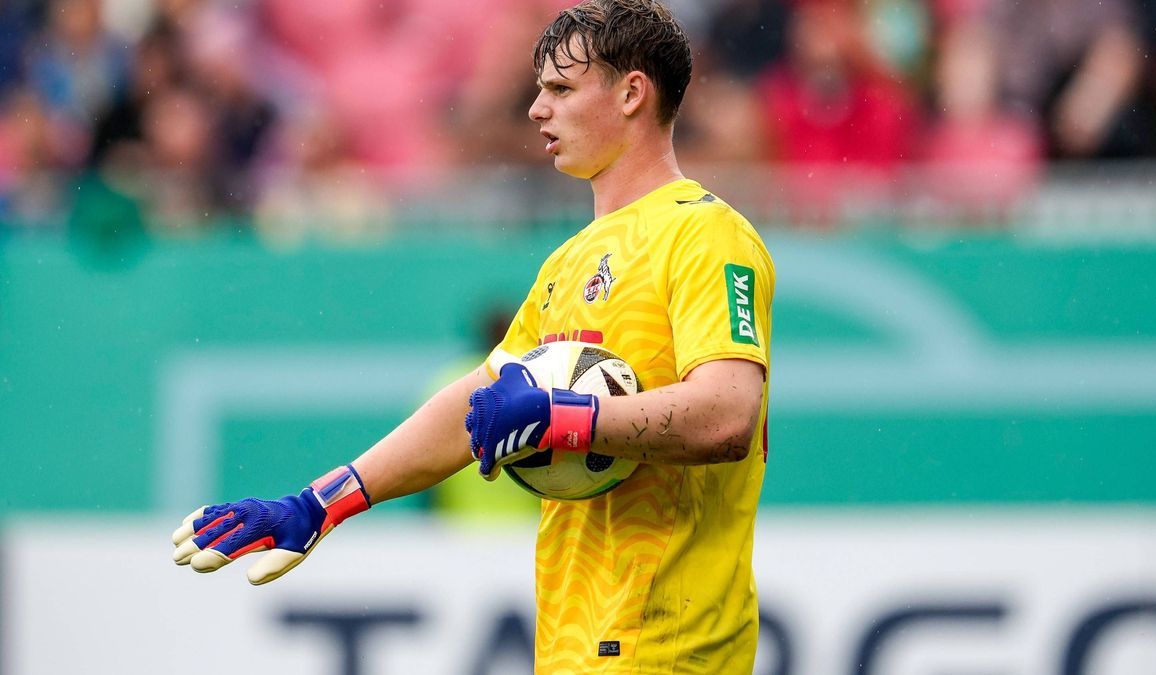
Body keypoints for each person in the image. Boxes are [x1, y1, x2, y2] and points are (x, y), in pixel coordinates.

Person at [170, 1, 774, 672]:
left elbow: (727, 414)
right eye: (538, 89)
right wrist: (319, 503)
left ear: (633, 92)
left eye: (561, 89)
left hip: (670, 647)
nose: (536, 110)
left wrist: (563, 417)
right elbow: (479, 403)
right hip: (576, 647)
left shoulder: (707, 234)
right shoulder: (569, 263)